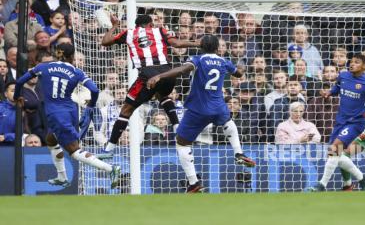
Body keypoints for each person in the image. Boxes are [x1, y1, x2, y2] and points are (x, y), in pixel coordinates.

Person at [147, 35, 256, 193]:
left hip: (198, 108)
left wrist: (160, 75)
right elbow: (238, 74)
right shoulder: (224, 61)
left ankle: (193, 183)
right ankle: (239, 152)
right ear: (217, 48)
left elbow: (183, 70)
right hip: (219, 106)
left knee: (182, 143)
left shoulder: (198, 59)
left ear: (201, 47)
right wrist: (238, 69)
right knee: (228, 121)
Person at [13, 43, 120, 189]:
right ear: (72, 56)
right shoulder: (77, 72)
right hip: (70, 110)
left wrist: (16, 96)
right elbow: (94, 90)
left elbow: (19, 81)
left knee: (74, 151)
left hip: (56, 113)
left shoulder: (42, 67)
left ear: (56, 53)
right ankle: (62, 177)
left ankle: (110, 169)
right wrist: (90, 106)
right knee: (50, 139)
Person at [97, 14, 201, 158]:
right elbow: (176, 44)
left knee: (126, 110)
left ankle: (109, 149)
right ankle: (178, 129)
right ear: (150, 24)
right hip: (168, 73)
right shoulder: (160, 30)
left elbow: (105, 42)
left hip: (147, 75)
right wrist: (197, 43)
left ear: (137, 25)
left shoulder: (129, 33)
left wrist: (114, 26)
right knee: (162, 95)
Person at [310, 54, 365, 191]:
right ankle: (363, 178)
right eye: (351, 61)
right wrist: (329, 92)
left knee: (334, 149)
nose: (352, 64)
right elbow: (338, 87)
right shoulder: (343, 75)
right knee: (334, 155)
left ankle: (322, 185)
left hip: (356, 122)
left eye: (357, 62)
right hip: (340, 121)